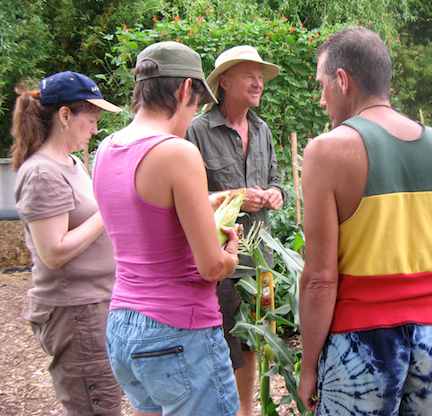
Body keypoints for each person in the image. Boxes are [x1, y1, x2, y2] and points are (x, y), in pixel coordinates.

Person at [298, 27, 432, 415]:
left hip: (359, 345)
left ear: (342, 81)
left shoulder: (328, 151)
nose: (321, 98)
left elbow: (320, 278)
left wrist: (309, 365)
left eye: (322, 84)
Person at [92, 41, 241, 416]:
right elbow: (209, 267)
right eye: (196, 106)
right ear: (186, 89)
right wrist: (230, 256)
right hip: (179, 331)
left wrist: (202, 206)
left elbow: (142, 218)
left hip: (123, 327)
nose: (193, 116)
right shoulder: (177, 151)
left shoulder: (105, 149)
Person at [11, 71, 123, 415]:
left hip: (94, 304)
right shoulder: (42, 172)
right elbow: (54, 251)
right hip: (76, 312)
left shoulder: (71, 164)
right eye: (91, 119)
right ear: (64, 115)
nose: (94, 128)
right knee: (97, 406)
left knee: (104, 399)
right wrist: (108, 210)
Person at [186, 44, 285, 416]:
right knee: (220, 339)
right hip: (218, 259)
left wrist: (275, 194)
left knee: (252, 339)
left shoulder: (262, 130)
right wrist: (234, 198)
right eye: (250, 75)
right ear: (224, 82)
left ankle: (247, 409)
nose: (258, 82)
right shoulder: (197, 131)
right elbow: (188, 197)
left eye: (261, 76)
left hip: (260, 258)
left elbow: (278, 181)